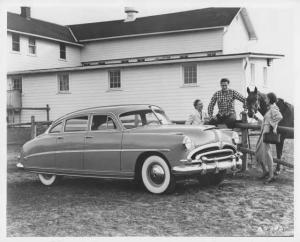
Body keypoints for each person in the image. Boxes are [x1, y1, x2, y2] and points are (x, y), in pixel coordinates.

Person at [254, 92, 283, 184]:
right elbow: (267, 119)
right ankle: (265, 171)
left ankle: (271, 176)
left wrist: (272, 126)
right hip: (263, 131)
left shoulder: (274, 107)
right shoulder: (269, 108)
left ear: (270, 99)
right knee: (258, 151)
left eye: (266, 98)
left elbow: (279, 117)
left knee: (267, 153)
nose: (265, 100)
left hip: (267, 132)